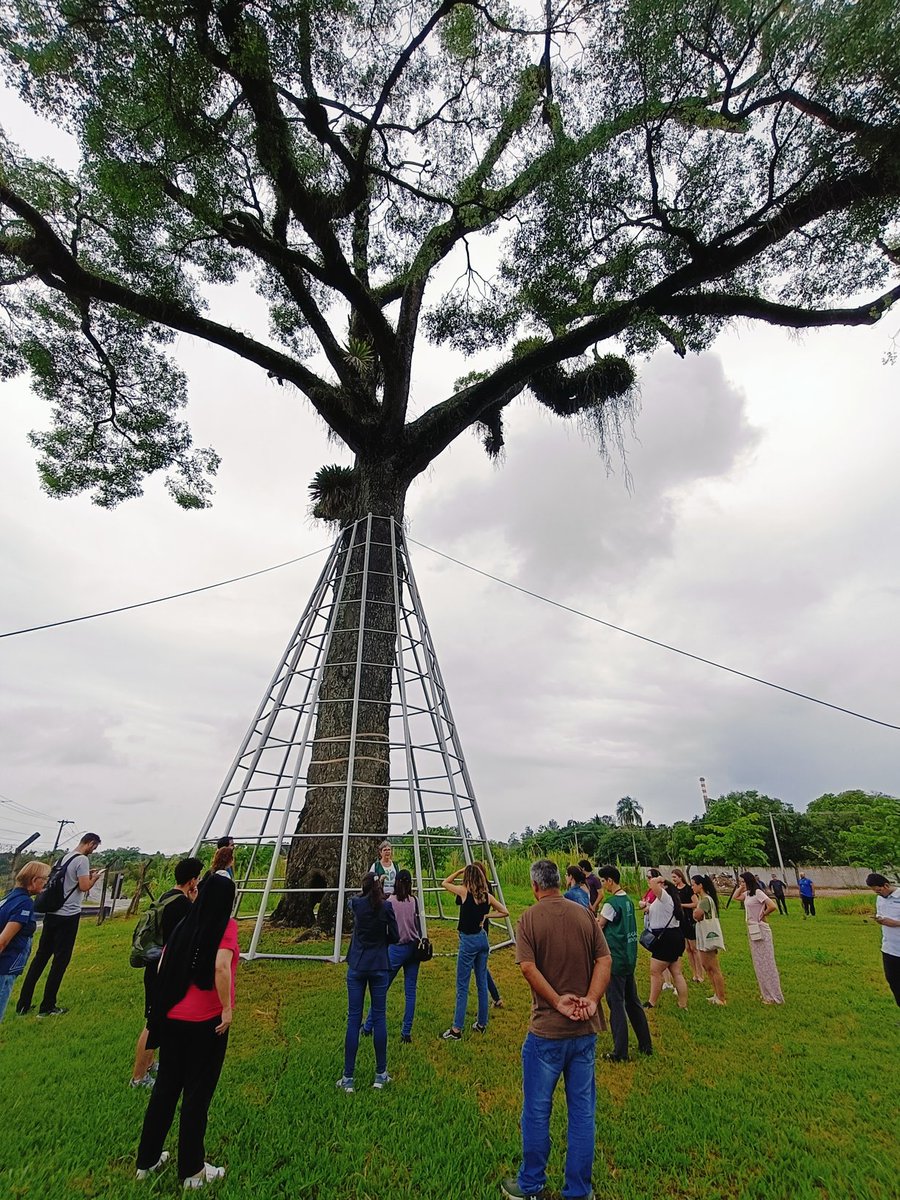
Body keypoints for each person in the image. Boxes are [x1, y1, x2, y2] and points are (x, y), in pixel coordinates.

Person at [501, 859, 611, 1200]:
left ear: (535, 886)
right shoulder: (584, 915)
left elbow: (528, 967)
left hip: (546, 1033)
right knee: (582, 1111)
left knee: (536, 1109)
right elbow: (604, 960)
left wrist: (556, 1000)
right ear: (558, 883)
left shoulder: (529, 919)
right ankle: (578, 1191)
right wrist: (592, 1000)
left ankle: (531, 1184)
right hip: (585, 1032)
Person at [136, 872, 239, 1188]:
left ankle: (147, 1161)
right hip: (206, 1023)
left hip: (173, 1020)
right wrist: (226, 1008)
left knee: (165, 1089)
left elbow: (163, 966)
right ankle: (192, 1171)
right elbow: (221, 966)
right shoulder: (226, 926)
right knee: (197, 1096)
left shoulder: (185, 924)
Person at [131, 857, 203, 1088]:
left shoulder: (166, 897)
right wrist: (194, 904)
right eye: (197, 878)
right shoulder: (182, 905)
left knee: (158, 1020)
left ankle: (151, 1064)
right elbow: (192, 935)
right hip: (166, 971)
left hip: (155, 967)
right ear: (192, 880)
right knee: (153, 1024)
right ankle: (138, 1077)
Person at [16, 832, 102, 1017]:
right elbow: (84, 886)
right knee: (60, 961)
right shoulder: (82, 861)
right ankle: (47, 1006)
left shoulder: (64, 858)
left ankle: (23, 1004)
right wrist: (94, 878)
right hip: (68, 915)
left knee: (40, 958)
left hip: (52, 913)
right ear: (90, 843)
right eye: (94, 847)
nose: (93, 851)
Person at [337, 873, 399, 1092]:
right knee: (379, 1017)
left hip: (357, 965)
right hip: (379, 965)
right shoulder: (386, 907)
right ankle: (380, 1074)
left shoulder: (357, 904)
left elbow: (350, 902)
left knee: (354, 1019)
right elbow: (395, 936)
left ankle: (348, 1078)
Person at [441, 863, 509, 1039]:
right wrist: (487, 915)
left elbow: (445, 883)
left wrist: (458, 871)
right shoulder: (486, 896)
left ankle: (456, 1030)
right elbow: (505, 911)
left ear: (467, 878)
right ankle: (481, 1023)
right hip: (482, 940)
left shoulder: (464, 892)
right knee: (481, 984)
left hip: (468, 941)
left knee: (462, 986)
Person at [596, 865, 652, 1062]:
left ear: (610, 880)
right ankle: (646, 1045)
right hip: (628, 958)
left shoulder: (611, 903)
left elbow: (599, 926)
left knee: (616, 1004)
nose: (602, 885)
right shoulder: (627, 901)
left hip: (615, 959)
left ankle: (620, 1052)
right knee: (633, 1002)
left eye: (603, 881)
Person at [361, 868, 421, 1043]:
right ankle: (406, 1032)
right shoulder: (414, 901)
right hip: (414, 948)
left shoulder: (391, 902)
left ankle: (367, 1026)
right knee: (410, 992)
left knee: (381, 989)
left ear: (396, 882)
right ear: (410, 883)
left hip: (396, 948)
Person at [0, 861, 50, 1022]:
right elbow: (3, 940)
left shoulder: (9, 897)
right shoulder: (25, 903)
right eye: (44, 879)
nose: (46, 883)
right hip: (5, 966)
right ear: (34, 880)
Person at [735, 872, 784, 1004]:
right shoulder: (748, 894)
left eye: (743, 882)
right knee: (759, 963)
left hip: (760, 927)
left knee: (767, 962)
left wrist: (762, 915)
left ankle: (775, 995)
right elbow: (736, 897)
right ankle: (766, 993)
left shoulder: (758, 892)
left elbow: (772, 905)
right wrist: (741, 886)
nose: (742, 884)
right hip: (752, 928)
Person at [642, 876, 688, 1009]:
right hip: (673, 936)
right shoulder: (667, 900)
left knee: (655, 972)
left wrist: (659, 879)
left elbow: (652, 884)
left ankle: (651, 1002)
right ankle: (682, 1004)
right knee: (676, 972)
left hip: (666, 938)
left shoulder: (665, 897)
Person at [691, 875, 727, 1006]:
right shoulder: (703, 899)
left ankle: (721, 997)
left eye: (694, 884)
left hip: (708, 935)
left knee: (713, 967)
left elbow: (697, 914)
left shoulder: (705, 900)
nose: (692, 887)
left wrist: (695, 912)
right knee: (707, 966)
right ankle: (716, 994)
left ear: (700, 885)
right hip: (703, 935)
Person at [866, 873, 900, 1007]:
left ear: (886, 885)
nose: (878, 894)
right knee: (893, 981)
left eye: (879, 890)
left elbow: (892, 921)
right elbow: (880, 914)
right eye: (875, 891)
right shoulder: (880, 899)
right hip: (889, 948)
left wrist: (895, 923)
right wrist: (879, 919)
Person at [672, 867, 703, 983]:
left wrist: (682, 905)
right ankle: (694, 973)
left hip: (690, 920)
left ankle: (700, 974)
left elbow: (695, 903)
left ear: (680, 877)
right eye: (672, 877)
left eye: (675, 877)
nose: (673, 879)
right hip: (681, 921)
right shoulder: (674, 890)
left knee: (694, 948)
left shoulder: (688, 889)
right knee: (688, 949)